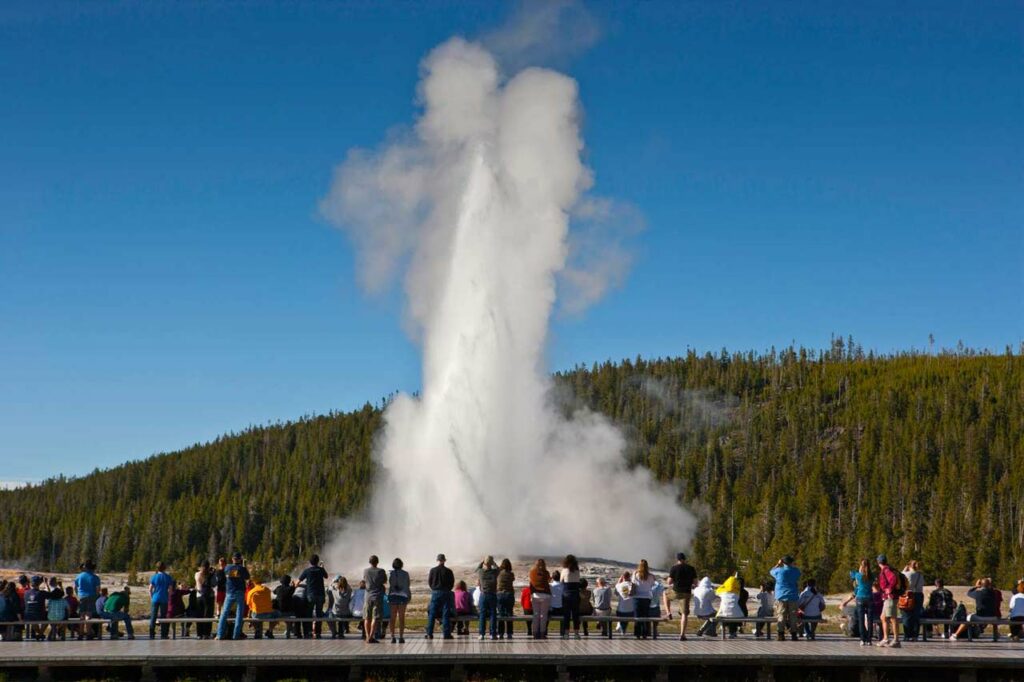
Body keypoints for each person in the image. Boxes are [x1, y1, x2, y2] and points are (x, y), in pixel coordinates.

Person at [216, 552, 250, 640]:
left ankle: (220, 634)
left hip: (229, 592)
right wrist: (244, 567)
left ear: (232, 559)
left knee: (224, 614)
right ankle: (236, 635)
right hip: (239, 592)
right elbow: (247, 577)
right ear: (240, 559)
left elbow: (225, 575)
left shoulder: (227, 568)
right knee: (239, 614)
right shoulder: (242, 569)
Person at [770, 555, 801, 642]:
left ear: (782, 562)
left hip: (781, 596)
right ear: (791, 562)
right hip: (793, 596)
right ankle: (794, 634)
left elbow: (771, 571)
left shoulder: (778, 571)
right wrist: (793, 565)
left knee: (781, 616)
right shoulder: (795, 571)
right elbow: (799, 573)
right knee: (793, 616)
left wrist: (778, 564)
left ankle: (781, 634)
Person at [668, 552, 698, 641]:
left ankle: (668, 611)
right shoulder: (691, 568)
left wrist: (674, 580)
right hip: (686, 592)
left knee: (665, 595)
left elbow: (669, 582)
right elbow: (695, 582)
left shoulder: (674, 568)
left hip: (676, 591)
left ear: (677, 559)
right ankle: (682, 634)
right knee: (684, 614)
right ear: (684, 559)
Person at [298, 554, 328, 639]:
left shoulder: (307, 571)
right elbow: (326, 576)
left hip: (310, 595)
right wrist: (322, 567)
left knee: (309, 613)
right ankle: (318, 633)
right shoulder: (321, 570)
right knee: (319, 614)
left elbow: (298, 581)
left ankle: (309, 631)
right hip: (321, 595)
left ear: (310, 562)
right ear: (317, 561)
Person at [426, 554, 454, 640]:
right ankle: (446, 634)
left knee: (432, 614)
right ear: (444, 560)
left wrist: (434, 589)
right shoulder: (449, 571)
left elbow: (430, 582)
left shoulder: (433, 570)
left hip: (435, 592)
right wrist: (447, 590)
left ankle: (429, 634)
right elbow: (452, 583)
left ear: (437, 560)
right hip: (445, 592)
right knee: (445, 614)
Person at [876, 554, 902, 648]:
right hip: (887, 597)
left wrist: (889, 588)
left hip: (890, 597)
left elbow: (893, 579)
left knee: (892, 618)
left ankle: (896, 640)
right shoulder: (888, 569)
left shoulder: (886, 570)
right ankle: (886, 638)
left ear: (878, 562)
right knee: (883, 617)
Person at [362, 555, 387, 644]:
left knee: (366, 617)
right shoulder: (381, 571)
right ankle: (371, 637)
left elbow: (364, 581)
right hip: (377, 596)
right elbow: (384, 581)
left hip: (368, 596)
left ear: (370, 562)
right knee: (375, 617)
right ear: (377, 562)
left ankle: (367, 636)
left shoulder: (365, 571)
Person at [75, 560, 102, 640]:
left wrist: (78, 595)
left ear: (85, 567)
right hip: (92, 596)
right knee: (89, 615)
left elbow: (75, 587)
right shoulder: (95, 577)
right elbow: (98, 589)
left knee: (82, 615)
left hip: (82, 596)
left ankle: (81, 633)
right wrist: (97, 597)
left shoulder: (79, 576)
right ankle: (89, 632)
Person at [850, 559, 874, 645]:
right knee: (870, 619)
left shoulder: (858, 575)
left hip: (860, 597)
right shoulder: (872, 575)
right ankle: (869, 639)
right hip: (870, 597)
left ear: (861, 565)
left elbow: (851, 573)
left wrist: (859, 570)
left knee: (861, 619)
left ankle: (862, 639)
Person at [148, 562, 173, 640]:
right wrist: (168, 597)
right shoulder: (168, 577)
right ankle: (164, 634)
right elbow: (170, 589)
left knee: (153, 617)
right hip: (164, 598)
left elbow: (150, 589)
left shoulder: (154, 577)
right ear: (164, 568)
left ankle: (151, 634)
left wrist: (152, 597)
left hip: (155, 598)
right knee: (163, 617)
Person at [476, 555, 499, 640]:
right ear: (491, 563)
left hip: (483, 594)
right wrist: (494, 563)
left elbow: (477, 569)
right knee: (493, 614)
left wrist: (482, 562)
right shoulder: (494, 572)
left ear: (485, 563)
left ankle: (481, 634)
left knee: (482, 614)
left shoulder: (481, 572)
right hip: (492, 594)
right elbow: (498, 569)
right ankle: (493, 634)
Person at [632, 560, 656, 639]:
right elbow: (652, 585)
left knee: (637, 616)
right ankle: (645, 633)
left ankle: (637, 634)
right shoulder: (651, 576)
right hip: (647, 597)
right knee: (645, 615)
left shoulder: (636, 574)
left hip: (637, 597)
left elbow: (633, 584)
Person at [901, 560, 925, 641]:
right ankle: (915, 635)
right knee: (916, 616)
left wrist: (904, 570)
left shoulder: (907, 574)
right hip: (919, 594)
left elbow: (900, 576)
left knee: (907, 616)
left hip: (909, 595)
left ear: (909, 566)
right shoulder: (920, 575)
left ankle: (907, 635)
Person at [388, 557, 411, 644]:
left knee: (392, 617)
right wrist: (408, 596)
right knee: (401, 617)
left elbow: (391, 584)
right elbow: (407, 585)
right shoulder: (406, 574)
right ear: (401, 565)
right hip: (402, 596)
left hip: (393, 596)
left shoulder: (391, 573)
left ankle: (392, 636)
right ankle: (401, 636)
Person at [529, 558, 552, 639]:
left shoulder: (532, 572)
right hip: (545, 596)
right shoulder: (546, 573)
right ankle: (542, 633)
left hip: (535, 596)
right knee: (543, 616)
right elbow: (548, 580)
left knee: (536, 615)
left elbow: (531, 582)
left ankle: (535, 633)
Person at [561, 555, 582, 640]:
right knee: (575, 615)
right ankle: (576, 633)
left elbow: (561, 581)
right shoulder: (577, 571)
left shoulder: (565, 570)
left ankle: (566, 633)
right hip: (576, 594)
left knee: (567, 615)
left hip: (566, 594)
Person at [195, 560, 215, 639]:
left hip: (199, 596)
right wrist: (213, 574)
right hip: (209, 596)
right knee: (208, 615)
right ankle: (206, 633)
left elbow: (197, 583)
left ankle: (199, 633)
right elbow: (214, 584)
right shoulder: (210, 575)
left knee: (199, 615)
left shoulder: (197, 574)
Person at [496, 558, 516, 639]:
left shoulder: (498, 573)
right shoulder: (511, 574)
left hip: (500, 594)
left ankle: (500, 633)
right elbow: (513, 579)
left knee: (500, 614)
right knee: (509, 613)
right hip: (509, 594)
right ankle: (509, 633)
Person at [24, 576, 46, 641]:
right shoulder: (42, 593)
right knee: (48, 618)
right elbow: (54, 595)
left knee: (32, 618)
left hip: (28, 616)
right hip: (39, 616)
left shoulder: (26, 593)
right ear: (39, 583)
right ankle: (41, 634)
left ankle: (40, 634)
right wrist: (46, 584)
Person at [614, 570, 635, 636]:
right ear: (629, 577)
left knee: (621, 611)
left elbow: (616, 593)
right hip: (631, 612)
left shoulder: (619, 585)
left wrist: (619, 581)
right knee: (626, 611)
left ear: (623, 577)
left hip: (621, 612)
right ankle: (622, 628)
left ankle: (620, 626)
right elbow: (628, 594)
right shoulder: (633, 585)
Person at [549, 570, 564, 637]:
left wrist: (549, 579)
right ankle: (562, 632)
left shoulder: (550, 586)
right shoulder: (563, 586)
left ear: (552, 577)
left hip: (552, 609)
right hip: (561, 609)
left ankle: (545, 631)